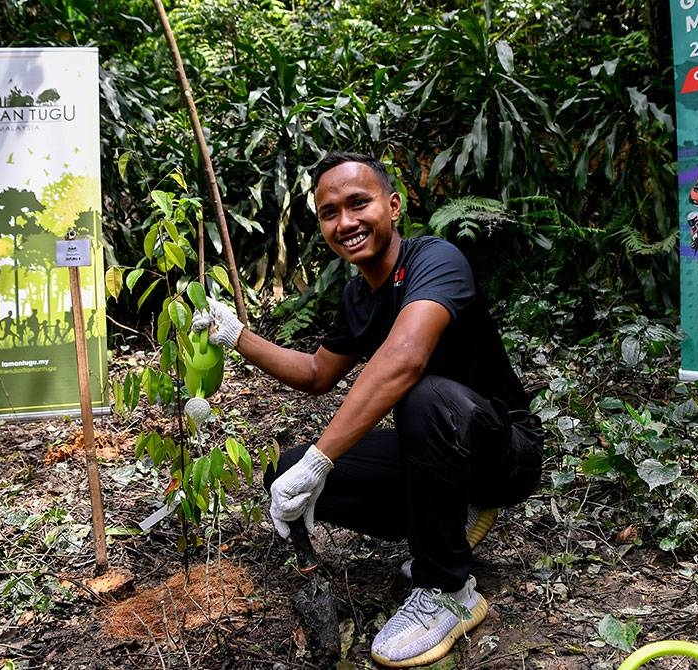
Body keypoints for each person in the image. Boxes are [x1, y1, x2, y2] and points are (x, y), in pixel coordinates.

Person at [192, 152, 544, 667]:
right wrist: (237, 335)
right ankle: (445, 524)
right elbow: (316, 373)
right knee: (283, 470)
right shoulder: (358, 296)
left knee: (421, 395)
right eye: (330, 212)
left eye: (359, 203)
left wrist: (322, 460)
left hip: (502, 451)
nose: (346, 222)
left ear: (393, 205)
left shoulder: (435, 261)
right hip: (434, 451)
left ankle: (449, 590)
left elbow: (404, 360)